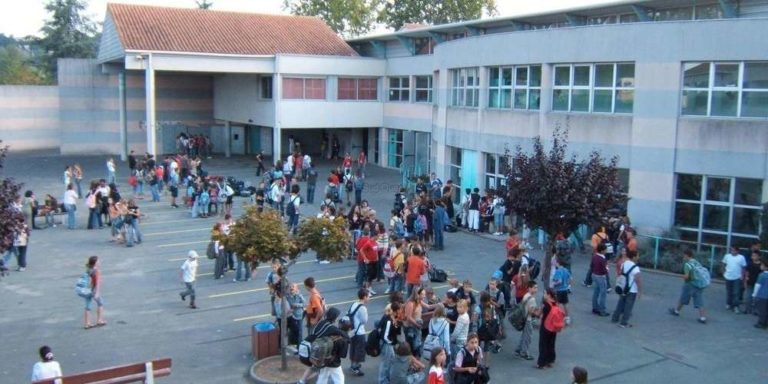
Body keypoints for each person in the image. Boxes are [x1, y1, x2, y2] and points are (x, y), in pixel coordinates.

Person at [668, 249, 708, 324]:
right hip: (698, 284)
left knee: (683, 298)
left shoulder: (687, 264)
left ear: (686, 256)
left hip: (690, 284)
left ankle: (676, 311)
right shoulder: (696, 262)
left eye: (684, 256)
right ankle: (703, 317)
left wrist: (682, 277)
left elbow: (687, 276)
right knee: (699, 301)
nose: (683, 257)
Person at [612, 250, 641, 328]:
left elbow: (621, 273)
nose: (638, 257)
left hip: (623, 287)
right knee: (628, 306)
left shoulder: (624, 264)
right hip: (632, 289)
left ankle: (615, 317)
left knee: (620, 303)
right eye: (637, 256)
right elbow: (638, 280)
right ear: (634, 257)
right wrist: (640, 291)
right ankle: (624, 322)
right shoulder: (636, 267)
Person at [378, 302, 404, 384]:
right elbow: (385, 336)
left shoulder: (393, 318)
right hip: (387, 344)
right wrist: (391, 342)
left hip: (388, 344)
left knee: (391, 360)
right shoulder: (389, 320)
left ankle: (387, 378)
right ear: (396, 310)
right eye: (400, 309)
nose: (401, 311)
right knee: (385, 362)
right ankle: (383, 381)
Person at [515, 281, 539, 361]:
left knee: (523, 335)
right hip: (528, 319)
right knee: (527, 337)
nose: (536, 289)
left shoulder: (526, 295)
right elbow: (530, 311)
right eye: (534, 287)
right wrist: (537, 313)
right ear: (530, 288)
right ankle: (524, 352)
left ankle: (519, 349)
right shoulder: (532, 299)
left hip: (523, 318)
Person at [348, 289, 369, 377]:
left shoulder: (354, 304)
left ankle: (352, 364)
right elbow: (364, 321)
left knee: (353, 348)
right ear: (364, 297)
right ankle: (355, 367)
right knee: (359, 350)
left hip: (352, 331)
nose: (369, 298)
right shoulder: (362, 308)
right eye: (368, 296)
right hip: (359, 332)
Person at [537, 288, 558, 369]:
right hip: (553, 327)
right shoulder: (555, 303)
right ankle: (550, 360)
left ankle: (541, 363)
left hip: (545, 327)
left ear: (549, 295)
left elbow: (539, 314)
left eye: (545, 293)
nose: (544, 294)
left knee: (543, 344)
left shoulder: (546, 304)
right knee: (551, 344)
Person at [722, 245, 747, 313]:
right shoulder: (727, 256)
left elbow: (743, 267)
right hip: (728, 276)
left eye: (734, 250)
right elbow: (723, 264)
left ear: (737, 251)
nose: (732, 251)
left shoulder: (741, 257)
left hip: (737, 277)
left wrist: (742, 275)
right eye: (731, 250)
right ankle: (729, 303)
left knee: (736, 292)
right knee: (729, 291)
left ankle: (736, 306)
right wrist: (724, 273)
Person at [83, 256, 106, 329]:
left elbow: (88, 280)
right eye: (98, 261)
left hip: (88, 289)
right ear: (95, 263)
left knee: (87, 306)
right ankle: (100, 320)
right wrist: (97, 292)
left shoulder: (89, 269)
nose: (99, 262)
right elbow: (98, 282)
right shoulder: (97, 271)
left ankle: (87, 323)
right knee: (100, 303)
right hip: (94, 289)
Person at [591, 243, 610, 317]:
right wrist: (607, 270)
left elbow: (591, 266)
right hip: (601, 276)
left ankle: (595, 307)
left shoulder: (595, 256)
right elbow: (604, 269)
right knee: (603, 294)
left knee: (596, 292)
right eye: (605, 249)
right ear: (602, 250)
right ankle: (602, 310)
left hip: (595, 274)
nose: (606, 251)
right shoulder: (602, 259)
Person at [751, 257, 768, 329]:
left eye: (762, 265)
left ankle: (761, 323)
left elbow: (757, 286)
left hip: (762, 295)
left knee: (762, 310)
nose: (761, 266)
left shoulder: (762, 275)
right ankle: (766, 323)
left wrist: (754, 294)